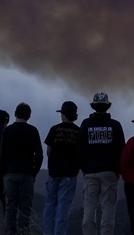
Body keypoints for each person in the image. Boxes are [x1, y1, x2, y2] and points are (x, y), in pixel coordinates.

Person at [78, 92, 125, 235]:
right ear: (107, 107)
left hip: (91, 173)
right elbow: (122, 150)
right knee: (108, 212)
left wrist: (84, 168)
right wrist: (117, 170)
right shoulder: (115, 125)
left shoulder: (86, 124)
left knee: (89, 212)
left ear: (94, 107)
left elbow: (80, 148)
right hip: (109, 173)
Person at [0, 102, 44, 235]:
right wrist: (34, 171)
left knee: (10, 206)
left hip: (10, 173)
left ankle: (10, 232)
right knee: (25, 206)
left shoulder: (7, 131)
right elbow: (39, 154)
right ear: (29, 116)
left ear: (15, 114)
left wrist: (3, 173)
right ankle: (24, 231)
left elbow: (2, 154)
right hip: (27, 173)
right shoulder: (32, 130)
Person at [42, 100, 81, 235]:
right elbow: (81, 153)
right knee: (64, 207)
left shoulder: (54, 129)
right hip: (70, 175)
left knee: (50, 205)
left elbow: (48, 151)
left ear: (63, 115)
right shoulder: (78, 131)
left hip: (54, 173)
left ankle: (48, 232)